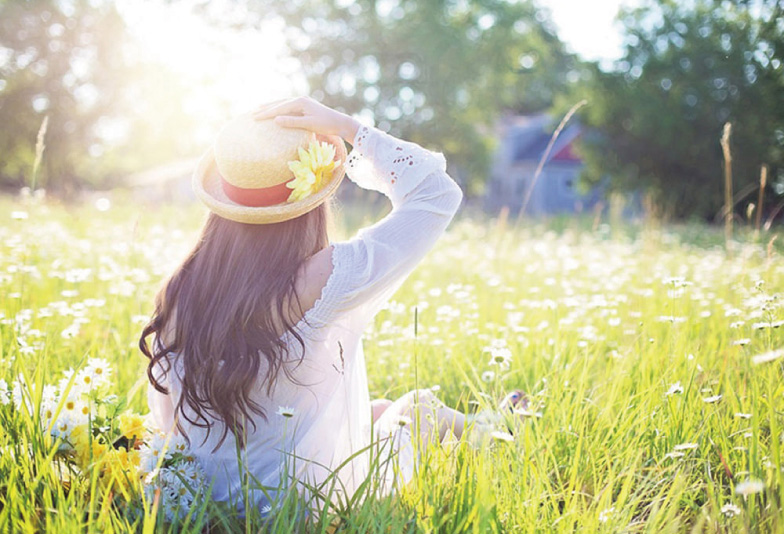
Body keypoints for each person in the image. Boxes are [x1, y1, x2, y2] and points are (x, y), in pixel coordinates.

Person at [139, 96, 525, 518]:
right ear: (310, 201)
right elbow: (437, 194)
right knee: (418, 408)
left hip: (205, 495)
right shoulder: (321, 278)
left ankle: (491, 424)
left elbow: (168, 417)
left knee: (375, 411)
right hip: (303, 504)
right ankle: (496, 430)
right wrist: (348, 127)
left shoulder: (181, 287)